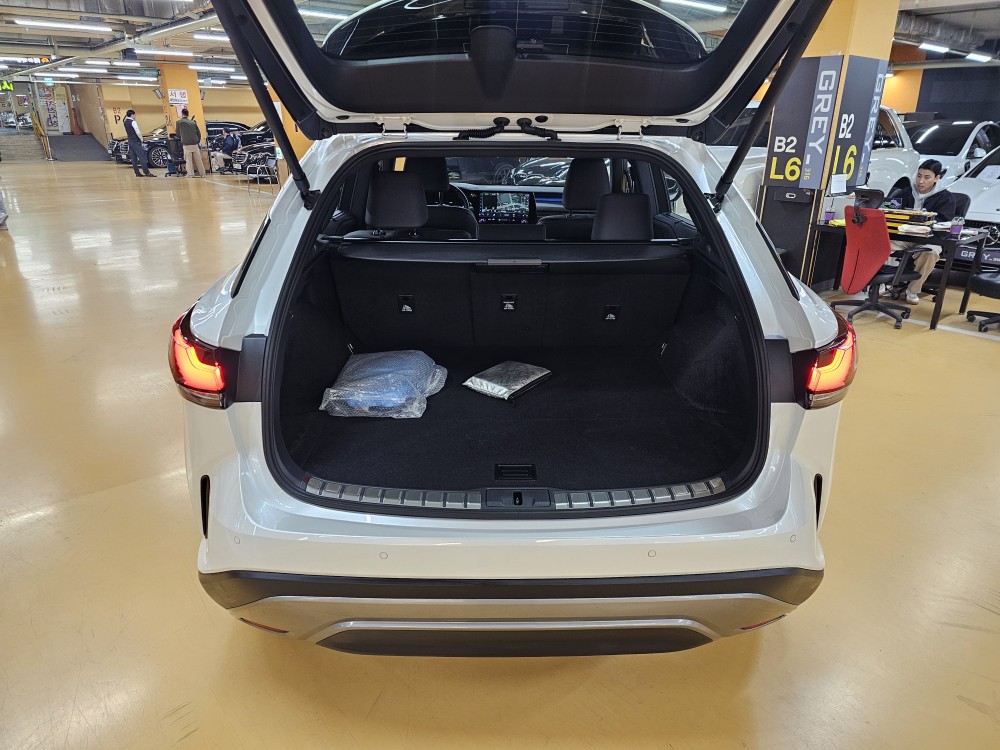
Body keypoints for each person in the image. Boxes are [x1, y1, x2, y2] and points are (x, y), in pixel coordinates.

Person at [885, 159, 958, 305]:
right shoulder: (905, 193)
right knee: (882, 245)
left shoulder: (946, 198)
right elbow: (890, 212)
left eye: (927, 177)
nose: (921, 181)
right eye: (919, 176)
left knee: (931, 253)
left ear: (937, 178)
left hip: (929, 240)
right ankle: (885, 283)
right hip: (904, 237)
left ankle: (912, 290)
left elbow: (945, 225)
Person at [123, 109, 154, 177]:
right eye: (134, 115)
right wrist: (141, 139)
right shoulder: (133, 122)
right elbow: (138, 131)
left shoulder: (125, 122)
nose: (135, 116)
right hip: (135, 141)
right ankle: (147, 172)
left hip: (130, 141)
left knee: (133, 158)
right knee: (142, 156)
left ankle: (137, 173)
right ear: (132, 115)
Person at [175, 108, 206, 177]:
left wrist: (183, 138)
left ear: (182, 114)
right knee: (198, 160)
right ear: (188, 114)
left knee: (188, 160)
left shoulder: (179, 122)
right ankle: (202, 173)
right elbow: (198, 133)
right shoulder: (193, 122)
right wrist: (197, 141)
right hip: (195, 144)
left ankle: (191, 174)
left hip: (186, 144)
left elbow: (178, 134)